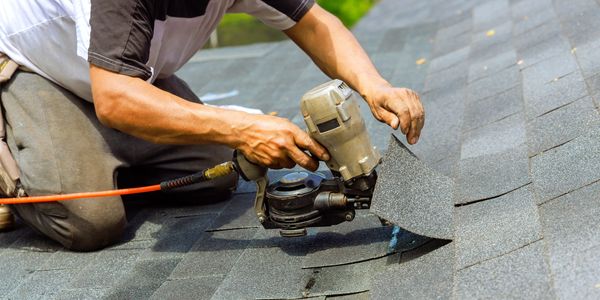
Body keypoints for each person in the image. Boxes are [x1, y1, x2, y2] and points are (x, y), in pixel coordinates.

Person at [0, 0, 424, 251]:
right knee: (90, 220)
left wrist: (375, 87)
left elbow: (313, 22)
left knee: (222, 167)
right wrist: (241, 128)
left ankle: (94, 153)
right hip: (30, 67)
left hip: (117, 75)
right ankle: (15, 156)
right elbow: (113, 99)